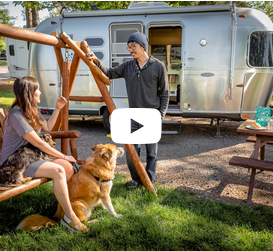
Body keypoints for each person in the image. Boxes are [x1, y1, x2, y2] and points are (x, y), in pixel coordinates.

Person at [0, 76, 87, 233]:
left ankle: (62, 209)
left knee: (67, 168)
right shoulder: (16, 116)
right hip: (14, 165)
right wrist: (63, 155)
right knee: (59, 170)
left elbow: (47, 127)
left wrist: (58, 108)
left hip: (29, 157)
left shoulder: (32, 109)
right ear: (29, 92)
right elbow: (39, 143)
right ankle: (70, 217)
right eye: (37, 89)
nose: (40, 92)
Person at [86, 32, 169, 189]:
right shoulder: (128, 66)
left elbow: (164, 94)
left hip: (151, 117)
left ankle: (149, 181)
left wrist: (160, 116)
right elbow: (108, 72)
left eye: (133, 46)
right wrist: (95, 60)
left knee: (151, 153)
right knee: (132, 153)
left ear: (142, 46)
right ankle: (137, 180)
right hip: (133, 117)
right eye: (129, 47)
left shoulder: (158, 66)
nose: (130, 50)